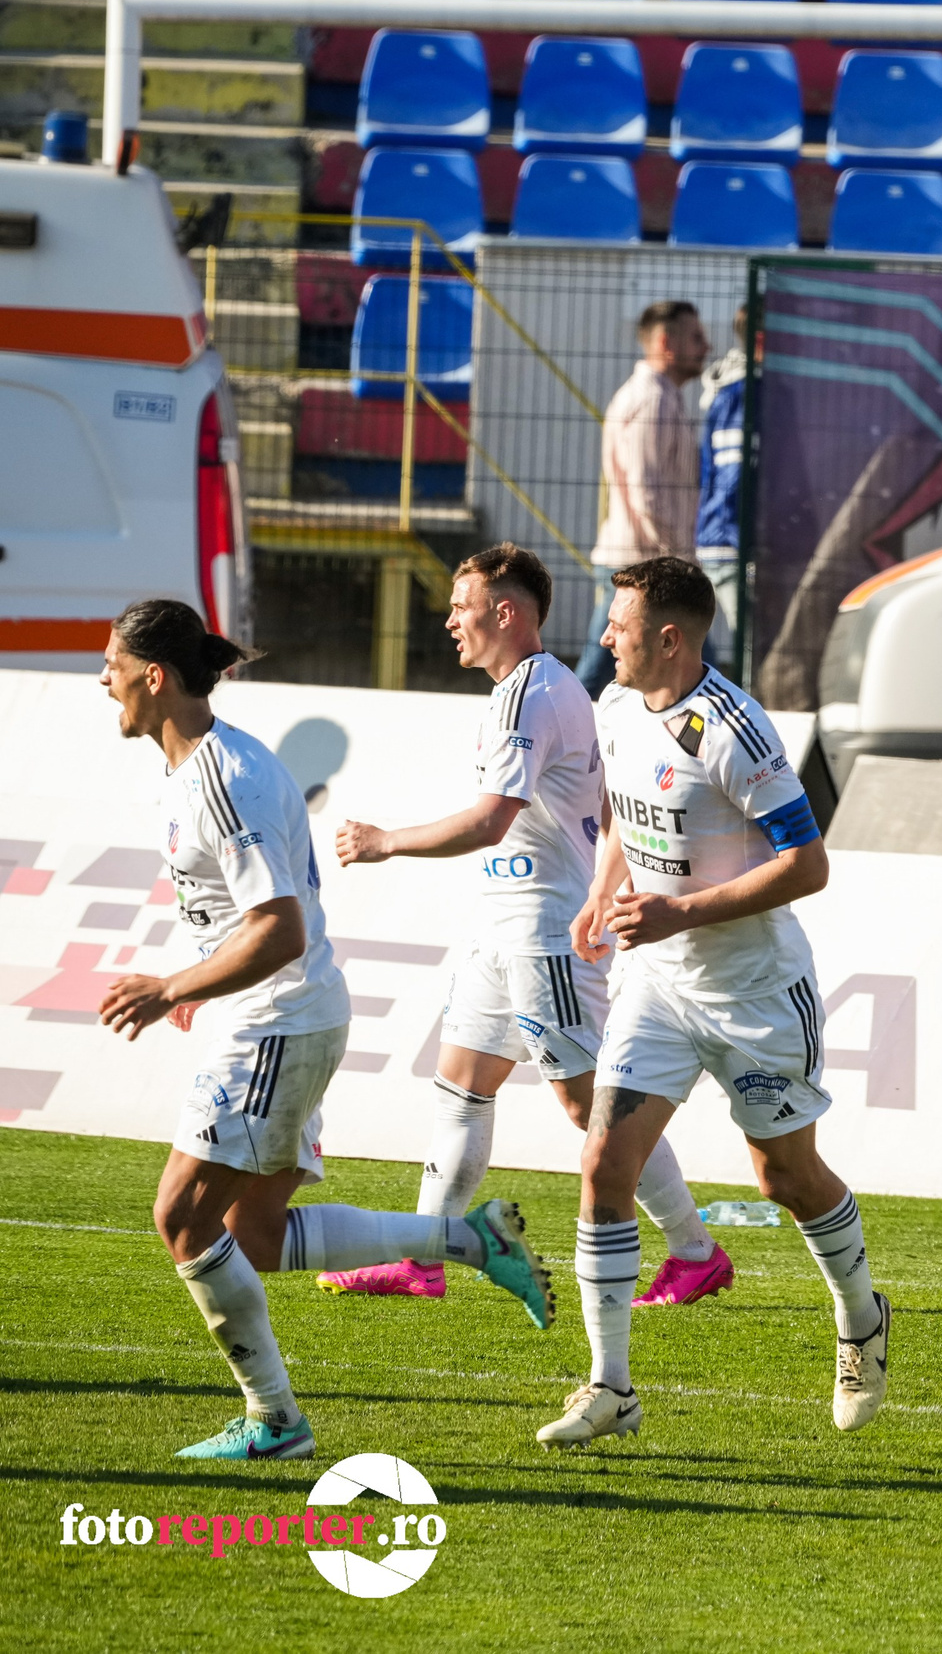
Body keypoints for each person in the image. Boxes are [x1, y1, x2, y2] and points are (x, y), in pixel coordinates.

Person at [99, 600, 552, 1463]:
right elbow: (252, 918)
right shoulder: (198, 766)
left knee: (182, 1217)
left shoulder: (221, 776)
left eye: (112, 666)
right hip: (280, 1014)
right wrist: (202, 978)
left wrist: (171, 987)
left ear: (154, 677)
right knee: (255, 1237)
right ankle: (471, 1238)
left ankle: (275, 1419)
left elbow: (280, 929)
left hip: (277, 1020)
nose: (102, 681)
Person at [322, 543, 732, 1309]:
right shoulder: (542, 689)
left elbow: (491, 821)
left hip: (543, 935)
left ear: (505, 611)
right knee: (461, 1083)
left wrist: (386, 841)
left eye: (462, 605)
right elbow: (602, 804)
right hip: (504, 929)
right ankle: (424, 1258)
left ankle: (694, 1250)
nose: (450, 620)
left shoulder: (534, 693)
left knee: (594, 1105)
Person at [543, 556, 886, 1447]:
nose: (604, 636)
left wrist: (679, 912)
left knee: (785, 1178)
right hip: (659, 986)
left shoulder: (734, 731)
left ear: (670, 638)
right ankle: (610, 1387)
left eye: (619, 625)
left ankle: (860, 1319)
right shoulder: (617, 706)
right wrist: (602, 894)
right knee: (603, 1165)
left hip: (755, 994)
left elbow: (807, 863)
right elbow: (623, 811)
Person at [579, 301, 708, 696]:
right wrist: (677, 560)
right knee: (600, 672)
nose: (707, 347)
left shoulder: (659, 396)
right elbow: (647, 492)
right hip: (642, 564)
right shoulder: (653, 400)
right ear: (666, 343)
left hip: (643, 561)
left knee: (615, 669)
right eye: (696, 338)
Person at [697, 307, 749, 673]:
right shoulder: (741, 395)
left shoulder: (740, 390)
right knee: (753, 652)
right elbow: (733, 478)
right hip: (733, 545)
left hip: (731, 541)